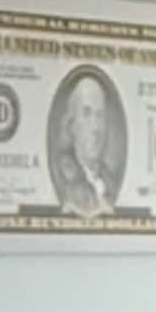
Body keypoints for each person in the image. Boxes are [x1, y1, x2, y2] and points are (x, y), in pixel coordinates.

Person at [48, 62, 129, 211]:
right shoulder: (64, 175)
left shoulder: (109, 181)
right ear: (72, 125)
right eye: (87, 113)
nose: (95, 127)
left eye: (100, 115)